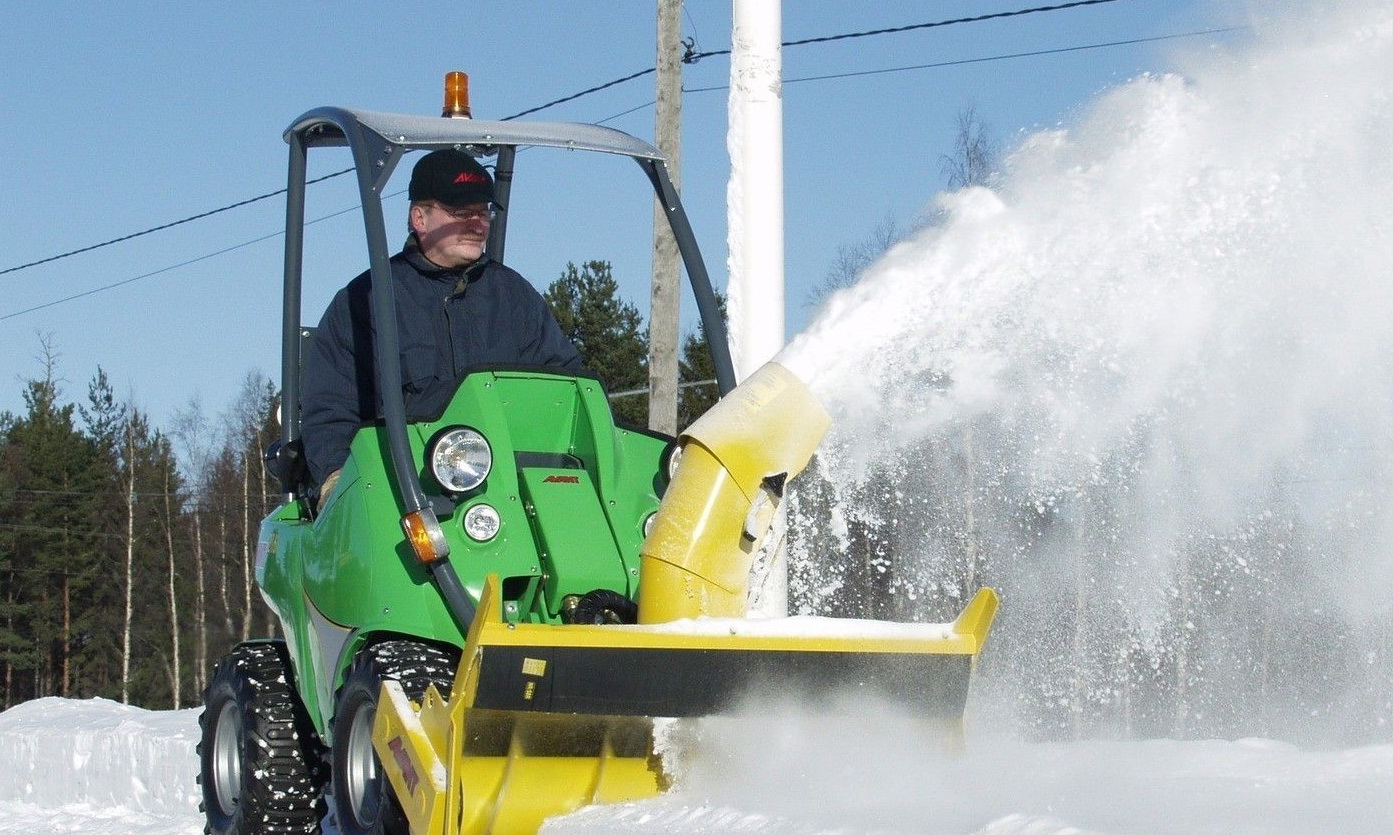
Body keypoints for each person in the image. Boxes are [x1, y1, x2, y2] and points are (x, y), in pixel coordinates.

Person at [301, 148, 582, 496]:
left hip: (509, 489)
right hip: (403, 491)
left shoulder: (513, 296)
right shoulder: (366, 301)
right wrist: (338, 481)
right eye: (461, 212)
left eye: (482, 213)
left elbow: (565, 387)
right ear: (420, 218)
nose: (477, 224)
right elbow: (331, 410)